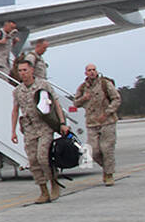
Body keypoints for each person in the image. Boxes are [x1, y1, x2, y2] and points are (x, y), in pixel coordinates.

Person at [11, 58, 69, 203]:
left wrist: (62, 123)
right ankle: (43, 190)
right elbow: (15, 110)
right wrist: (13, 131)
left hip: (44, 126)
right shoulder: (18, 91)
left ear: (31, 70)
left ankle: (53, 182)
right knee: (33, 160)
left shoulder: (43, 85)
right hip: (29, 128)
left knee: (43, 157)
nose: (23, 73)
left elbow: (56, 104)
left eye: (25, 70)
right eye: (20, 71)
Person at [73, 63, 121, 184]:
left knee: (107, 149)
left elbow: (116, 99)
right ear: (86, 73)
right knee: (94, 151)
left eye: (94, 70)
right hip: (91, 123)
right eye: (89, 70)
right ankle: (106, 168)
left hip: (107, 122)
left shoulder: (105, 84)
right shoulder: (83, 87)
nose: (92, 72)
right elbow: (75, 103)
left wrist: (108, 112)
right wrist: (84, 98)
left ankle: (109, 175)